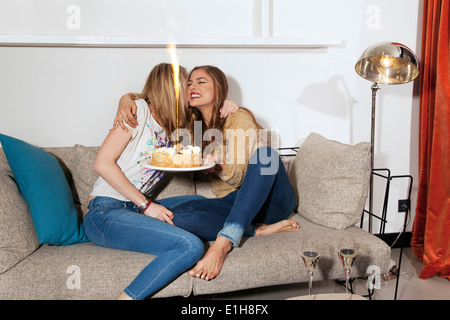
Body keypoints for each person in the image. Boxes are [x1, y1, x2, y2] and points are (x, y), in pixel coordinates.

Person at [116, 65, 298, 282]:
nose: (193, 86)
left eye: (201, 82)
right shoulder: (192, 127)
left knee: (266, 155)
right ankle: (254, 231)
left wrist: (219, 165)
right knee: (175, 216)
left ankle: (224, 243)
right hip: (234, 205)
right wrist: (126, 98)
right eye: (189, 83)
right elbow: (154, 97)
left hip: (271, 200)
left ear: (218, 88)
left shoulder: (237, 117)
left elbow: (240, 177)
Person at [83, 63, 206, 300]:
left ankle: (252, 229)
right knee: (190, 246)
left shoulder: (171, 128)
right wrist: (147, 205)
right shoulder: (138, 111)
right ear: (171, 88)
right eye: (186, 83)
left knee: (199, 203)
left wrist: (229, 107)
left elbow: (206, 111)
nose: (190, 88)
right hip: (104, 212)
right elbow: (102, 163)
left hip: (132, 210)